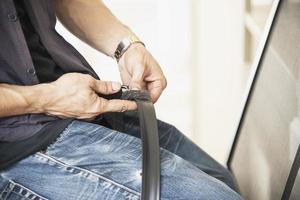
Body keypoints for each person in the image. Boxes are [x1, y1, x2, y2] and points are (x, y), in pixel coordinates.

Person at [0, 0, 241, 199]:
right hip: (16, 147)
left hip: (80, 104)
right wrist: (45, 98)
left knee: (224, 182)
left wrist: (126, 46)